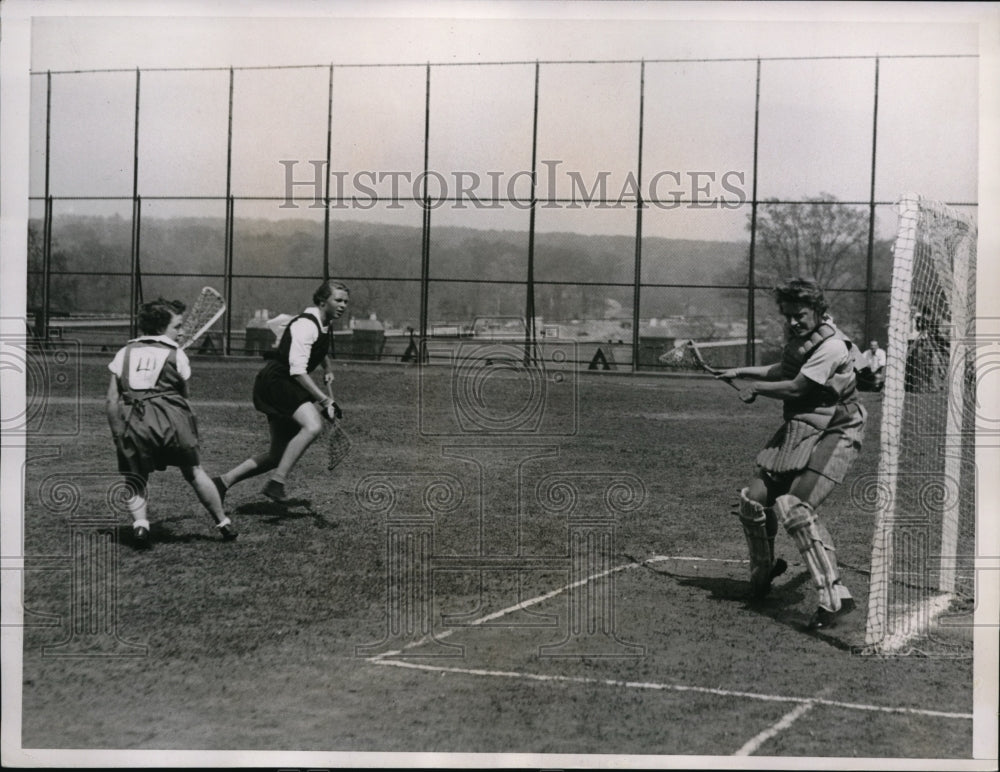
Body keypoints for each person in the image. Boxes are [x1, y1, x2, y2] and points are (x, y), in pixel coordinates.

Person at [716, 278, 866, 630]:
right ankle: (764, 572)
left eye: (799, 315)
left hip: (838, 427)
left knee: (794, 508)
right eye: (788, 317)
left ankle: (835, 595)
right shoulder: (804, 340)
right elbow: (785, 371)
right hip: (804, 425)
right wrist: (740, 370)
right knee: (754, 500)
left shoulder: (831, 345)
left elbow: (798, 386)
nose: (794, 322)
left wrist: (756, 388)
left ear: (817, 309)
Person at [105, 298, 237, 546]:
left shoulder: (124, 352)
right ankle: (223, 523)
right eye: (177, 326)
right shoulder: (177, 355)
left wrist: (117, 434)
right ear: (160, 327)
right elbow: (184, 394)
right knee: (194, 471)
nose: (182, 331)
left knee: (136, 476)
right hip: (172, 422)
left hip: (136, 422)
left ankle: (141, 526)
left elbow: (112, 400)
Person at [213, 280, 349, 504]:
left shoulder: (325, 322)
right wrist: (324, 401)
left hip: (287, 383)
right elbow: (297, 371)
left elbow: (319, 347)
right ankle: (277, 482)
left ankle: (222, 482)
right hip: (277, 382)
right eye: (338, 300)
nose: (343, 305)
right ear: (323, 301)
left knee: (277, 455)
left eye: (345, 301)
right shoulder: (305, 325)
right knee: (313, 425)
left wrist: (327, 368)